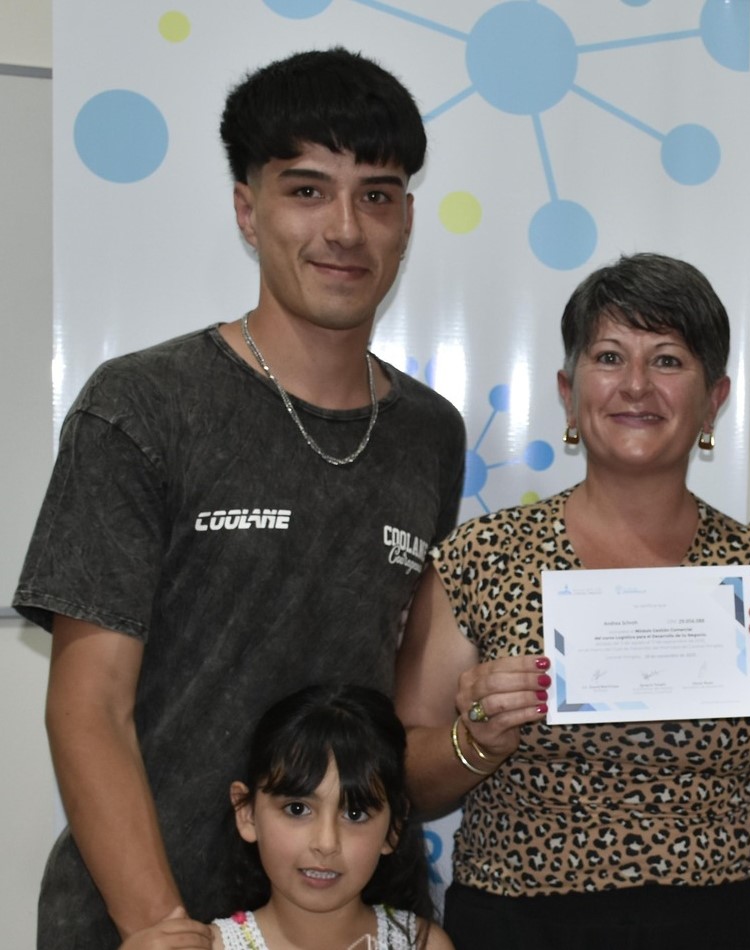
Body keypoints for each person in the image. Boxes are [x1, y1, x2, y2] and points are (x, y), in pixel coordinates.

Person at [15, 48, 467, 947]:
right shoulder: (143, 405)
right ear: (246, 210)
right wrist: (158, 923)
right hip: (146, 922)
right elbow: (88, 703)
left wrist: (482, 734)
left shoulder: (430, 433)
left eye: (376, 195)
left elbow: (407, 720)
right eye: (306, 190)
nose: (345, 229)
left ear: (407, 220)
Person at [394, 252, 750, 949]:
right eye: (609, 357)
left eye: (668, 360)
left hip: (724, 926)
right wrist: (475, 739)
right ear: (568, 391)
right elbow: (405, 781)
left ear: (714, 399)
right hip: (520, 926)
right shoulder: (481, 559)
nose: (636, 385)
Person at [118, 685, 454, 950]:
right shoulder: (208, 947)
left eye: (354, 814)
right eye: (297, 809)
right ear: (247, 813)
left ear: (393, 828)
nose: (326, 842)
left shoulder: (423, 944)